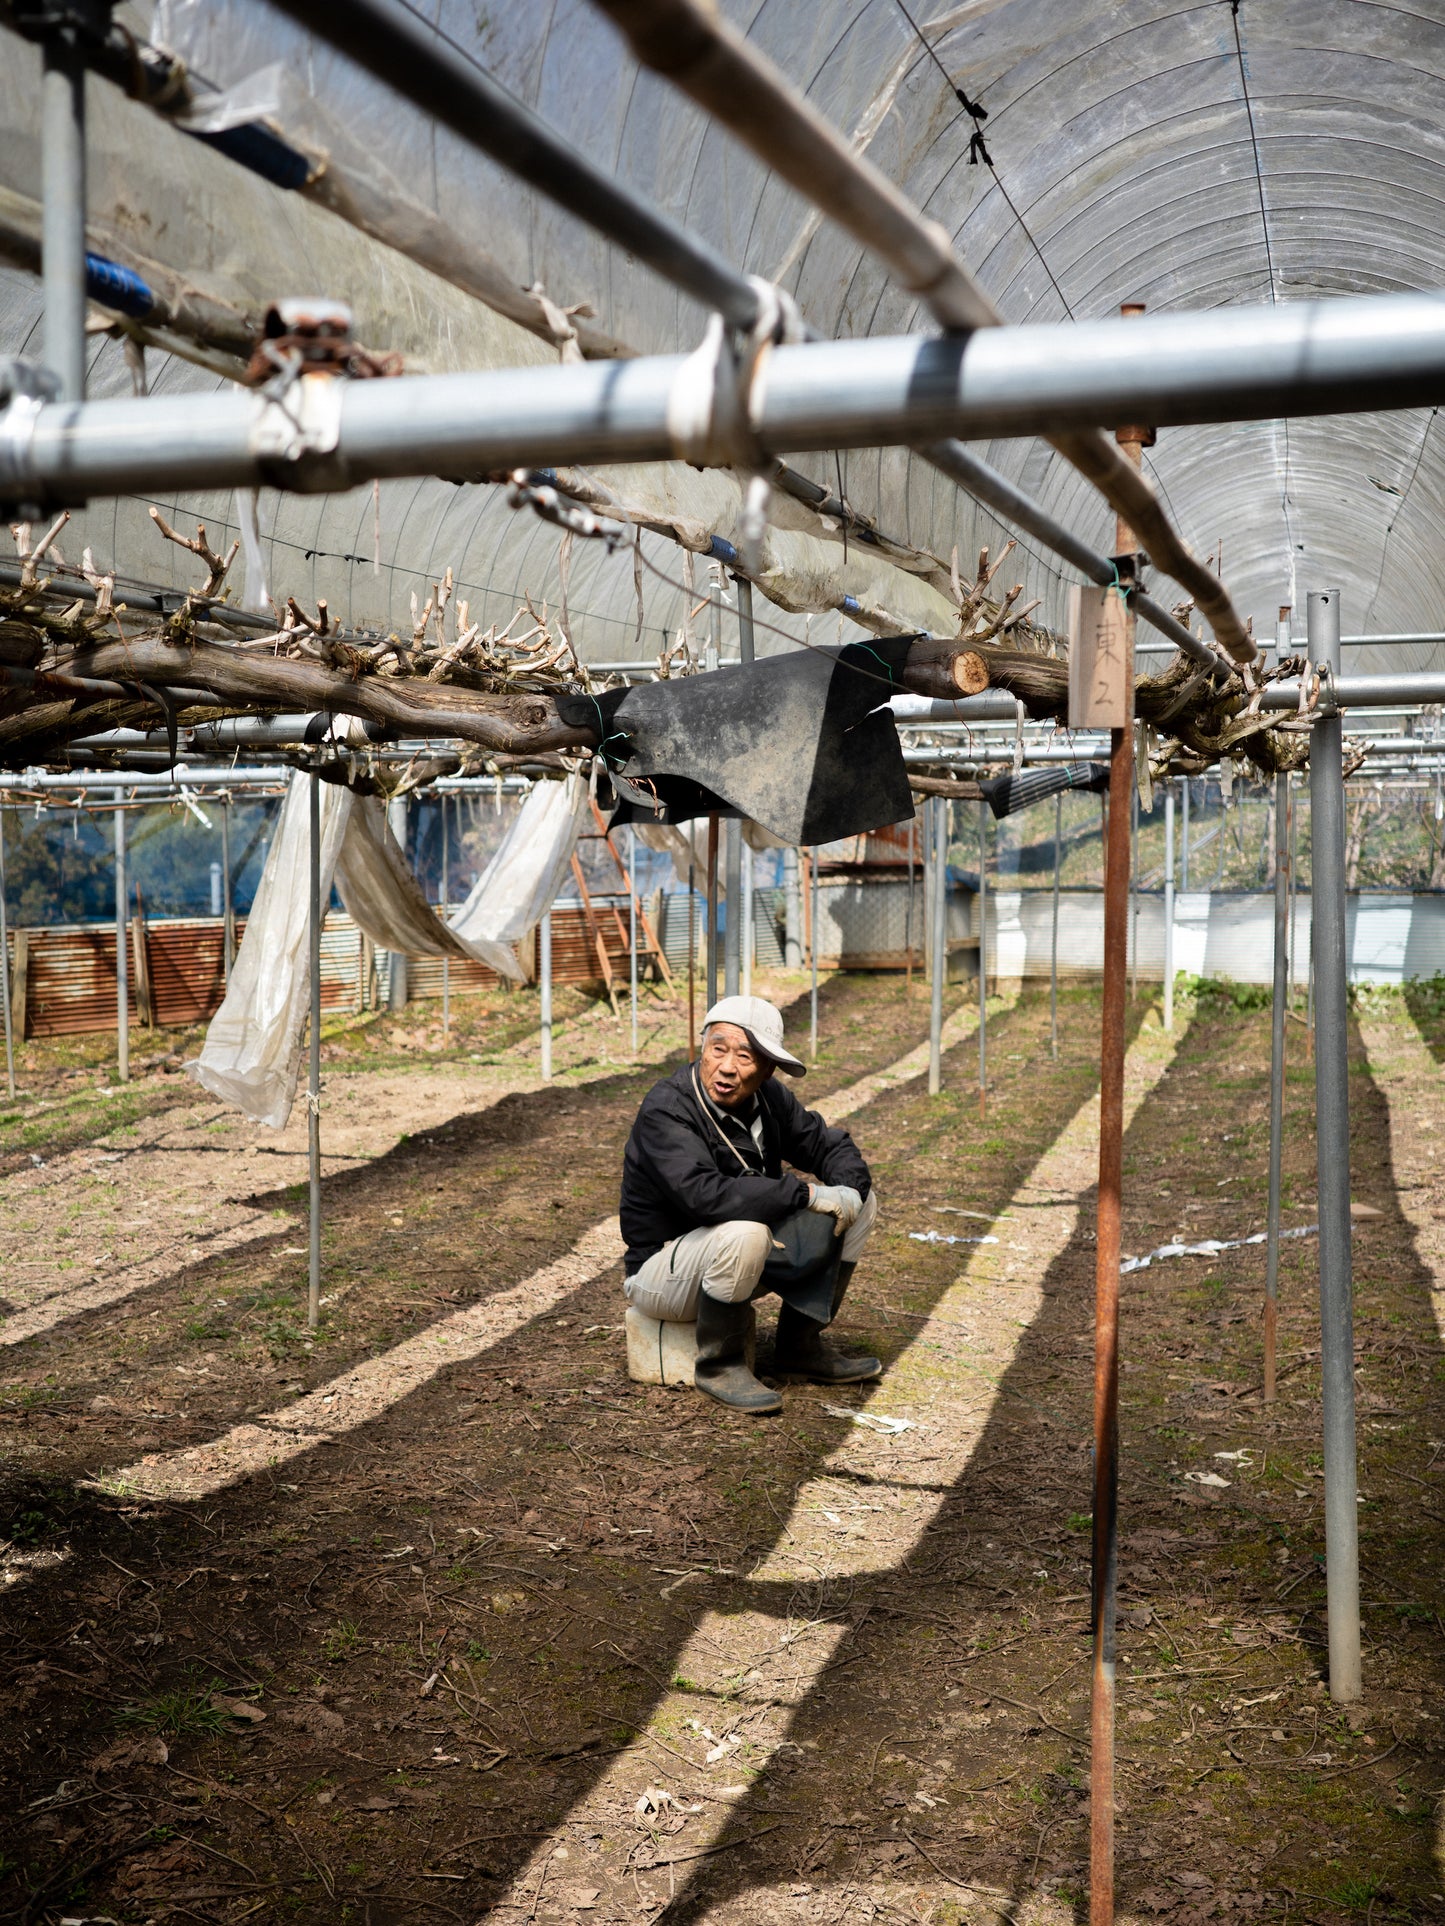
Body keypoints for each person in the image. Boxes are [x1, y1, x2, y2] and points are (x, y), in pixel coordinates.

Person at [620, 993, 881, 1414]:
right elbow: (707, 1196)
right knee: (744, 1228)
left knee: (860, 1205)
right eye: (718, 1049)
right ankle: (719, 1367)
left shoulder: (769, 1099)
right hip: (663, 1273)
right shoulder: (666, 1109)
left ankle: (801, 1347)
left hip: (740, 1259)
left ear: (768, 1069)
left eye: (745, 1056)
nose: (727, 1067)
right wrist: (807, 1194)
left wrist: (848, 1190)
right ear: (702, 1049)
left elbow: (825, 1144)